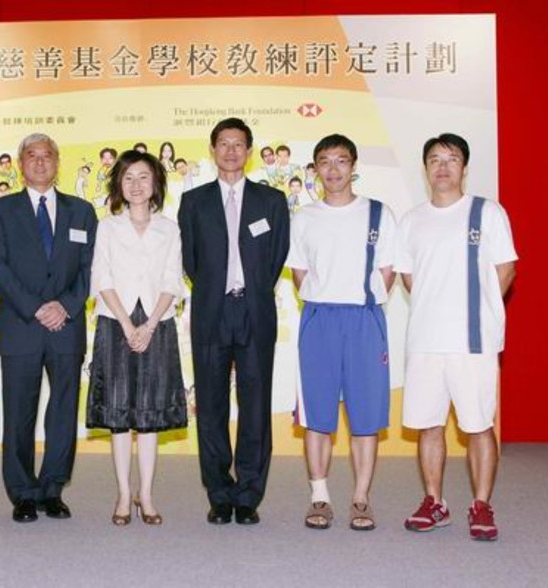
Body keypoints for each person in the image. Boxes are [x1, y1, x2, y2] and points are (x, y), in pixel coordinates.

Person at [396, 133, 517, 541]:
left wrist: (476, 310)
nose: (443, 166)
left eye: (451, 159)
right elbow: (410, 278)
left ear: (464, 167)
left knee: (479, 425)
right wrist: (439, 307)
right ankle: (435, 501)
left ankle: (481, 504)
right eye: (434, 159)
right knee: (429, 425)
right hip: (426, 340)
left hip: (474, 341)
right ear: (425, 168)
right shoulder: (411, 220)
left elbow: (505, 270)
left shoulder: (488, 213)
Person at [178, 118, 290, 525]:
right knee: (210, 406)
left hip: (255, 310)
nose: (230, 151)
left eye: (238, 144)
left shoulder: (271, 201)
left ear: (249, 150)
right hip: (211, 310)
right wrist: (215, 290)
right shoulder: (194, 202)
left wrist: (251, 289)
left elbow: (276, 257)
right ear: (212, 151)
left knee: (255, 405)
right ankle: (219, 494)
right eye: (223, 144)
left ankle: (248, 495)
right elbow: (190, 260)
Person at [0, 133, 97, 523]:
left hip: (67, 325)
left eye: (47, 155)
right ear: (20, 163)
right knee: (19, 412)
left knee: (63, 410)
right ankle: (23, 493)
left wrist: (63, 306)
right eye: (31, 155)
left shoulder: (82, 211)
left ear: (58, 161)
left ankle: (52, 489)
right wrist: (35, 308)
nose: (40, 161)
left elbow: (90, 269)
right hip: (21, 325)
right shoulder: (0, 211)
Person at [287, 134, 396, 532]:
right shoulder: (303, 218)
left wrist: (356, 297)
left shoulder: (379, 214)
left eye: (341, 161)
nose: (333, 170)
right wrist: (325, 296)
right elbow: (300, 274)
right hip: (319, 320)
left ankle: (361, 497)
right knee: (317, 415)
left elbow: (388, 271)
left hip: (364, 321)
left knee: (365, 416)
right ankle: (320, 496)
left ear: (354, 167)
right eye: (324, 162)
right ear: (315, 169)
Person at [86, 150, 188, 526]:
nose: (136, 185)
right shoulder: (108, 226)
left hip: (157, 325)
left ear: (156, 183)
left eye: (143, 177)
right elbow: (102, 278)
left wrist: (149, 325)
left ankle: (146, 494)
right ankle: (123, 495)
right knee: (118, 415)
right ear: (119, 185)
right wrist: (130, 326)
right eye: (128, 178)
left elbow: (172, 280)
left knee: (148, 415)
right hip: (116, 324)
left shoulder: (169, 228)